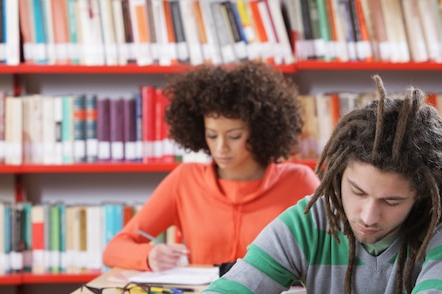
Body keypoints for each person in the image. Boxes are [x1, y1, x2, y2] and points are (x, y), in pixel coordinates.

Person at [180, 75, 442, 294]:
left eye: (391, 201)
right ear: (338, 174)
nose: (368, 216)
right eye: (357, 191)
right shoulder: (308, 222)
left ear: (421, 194)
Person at [102, 60, 319, 273]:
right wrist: (148, 256)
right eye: (212, 135)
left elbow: (337, 249)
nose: (221, 147)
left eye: (234, 136)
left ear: (261, 131)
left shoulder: (298, 181)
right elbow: (114, 249)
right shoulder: (185, 180)